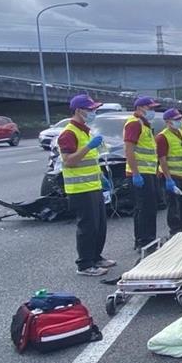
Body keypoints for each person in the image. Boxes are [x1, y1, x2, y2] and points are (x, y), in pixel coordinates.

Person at [58, 94, 114, 276]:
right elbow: (68, 161)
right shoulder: (68, 133)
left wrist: (101, 177)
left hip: (93, 185)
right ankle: (85, 264)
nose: (93, 112)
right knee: (87, 227)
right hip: (80, 189)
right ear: (78, 110)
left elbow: (90, 161)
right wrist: (89, 147)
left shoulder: (85, 131)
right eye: (90, 109)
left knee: (99, 225)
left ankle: (96, 257)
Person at [124, 96, 161, 250]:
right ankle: (143, 242)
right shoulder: (134, 123)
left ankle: (149, 240)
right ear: (140, 108)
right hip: (140, 173)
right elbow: (129, 150)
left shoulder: (144, 125)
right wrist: (136, 173)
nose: (152, 111)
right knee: (143, 208)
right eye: (150, 108)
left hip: (148, 172)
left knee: (150, 208)